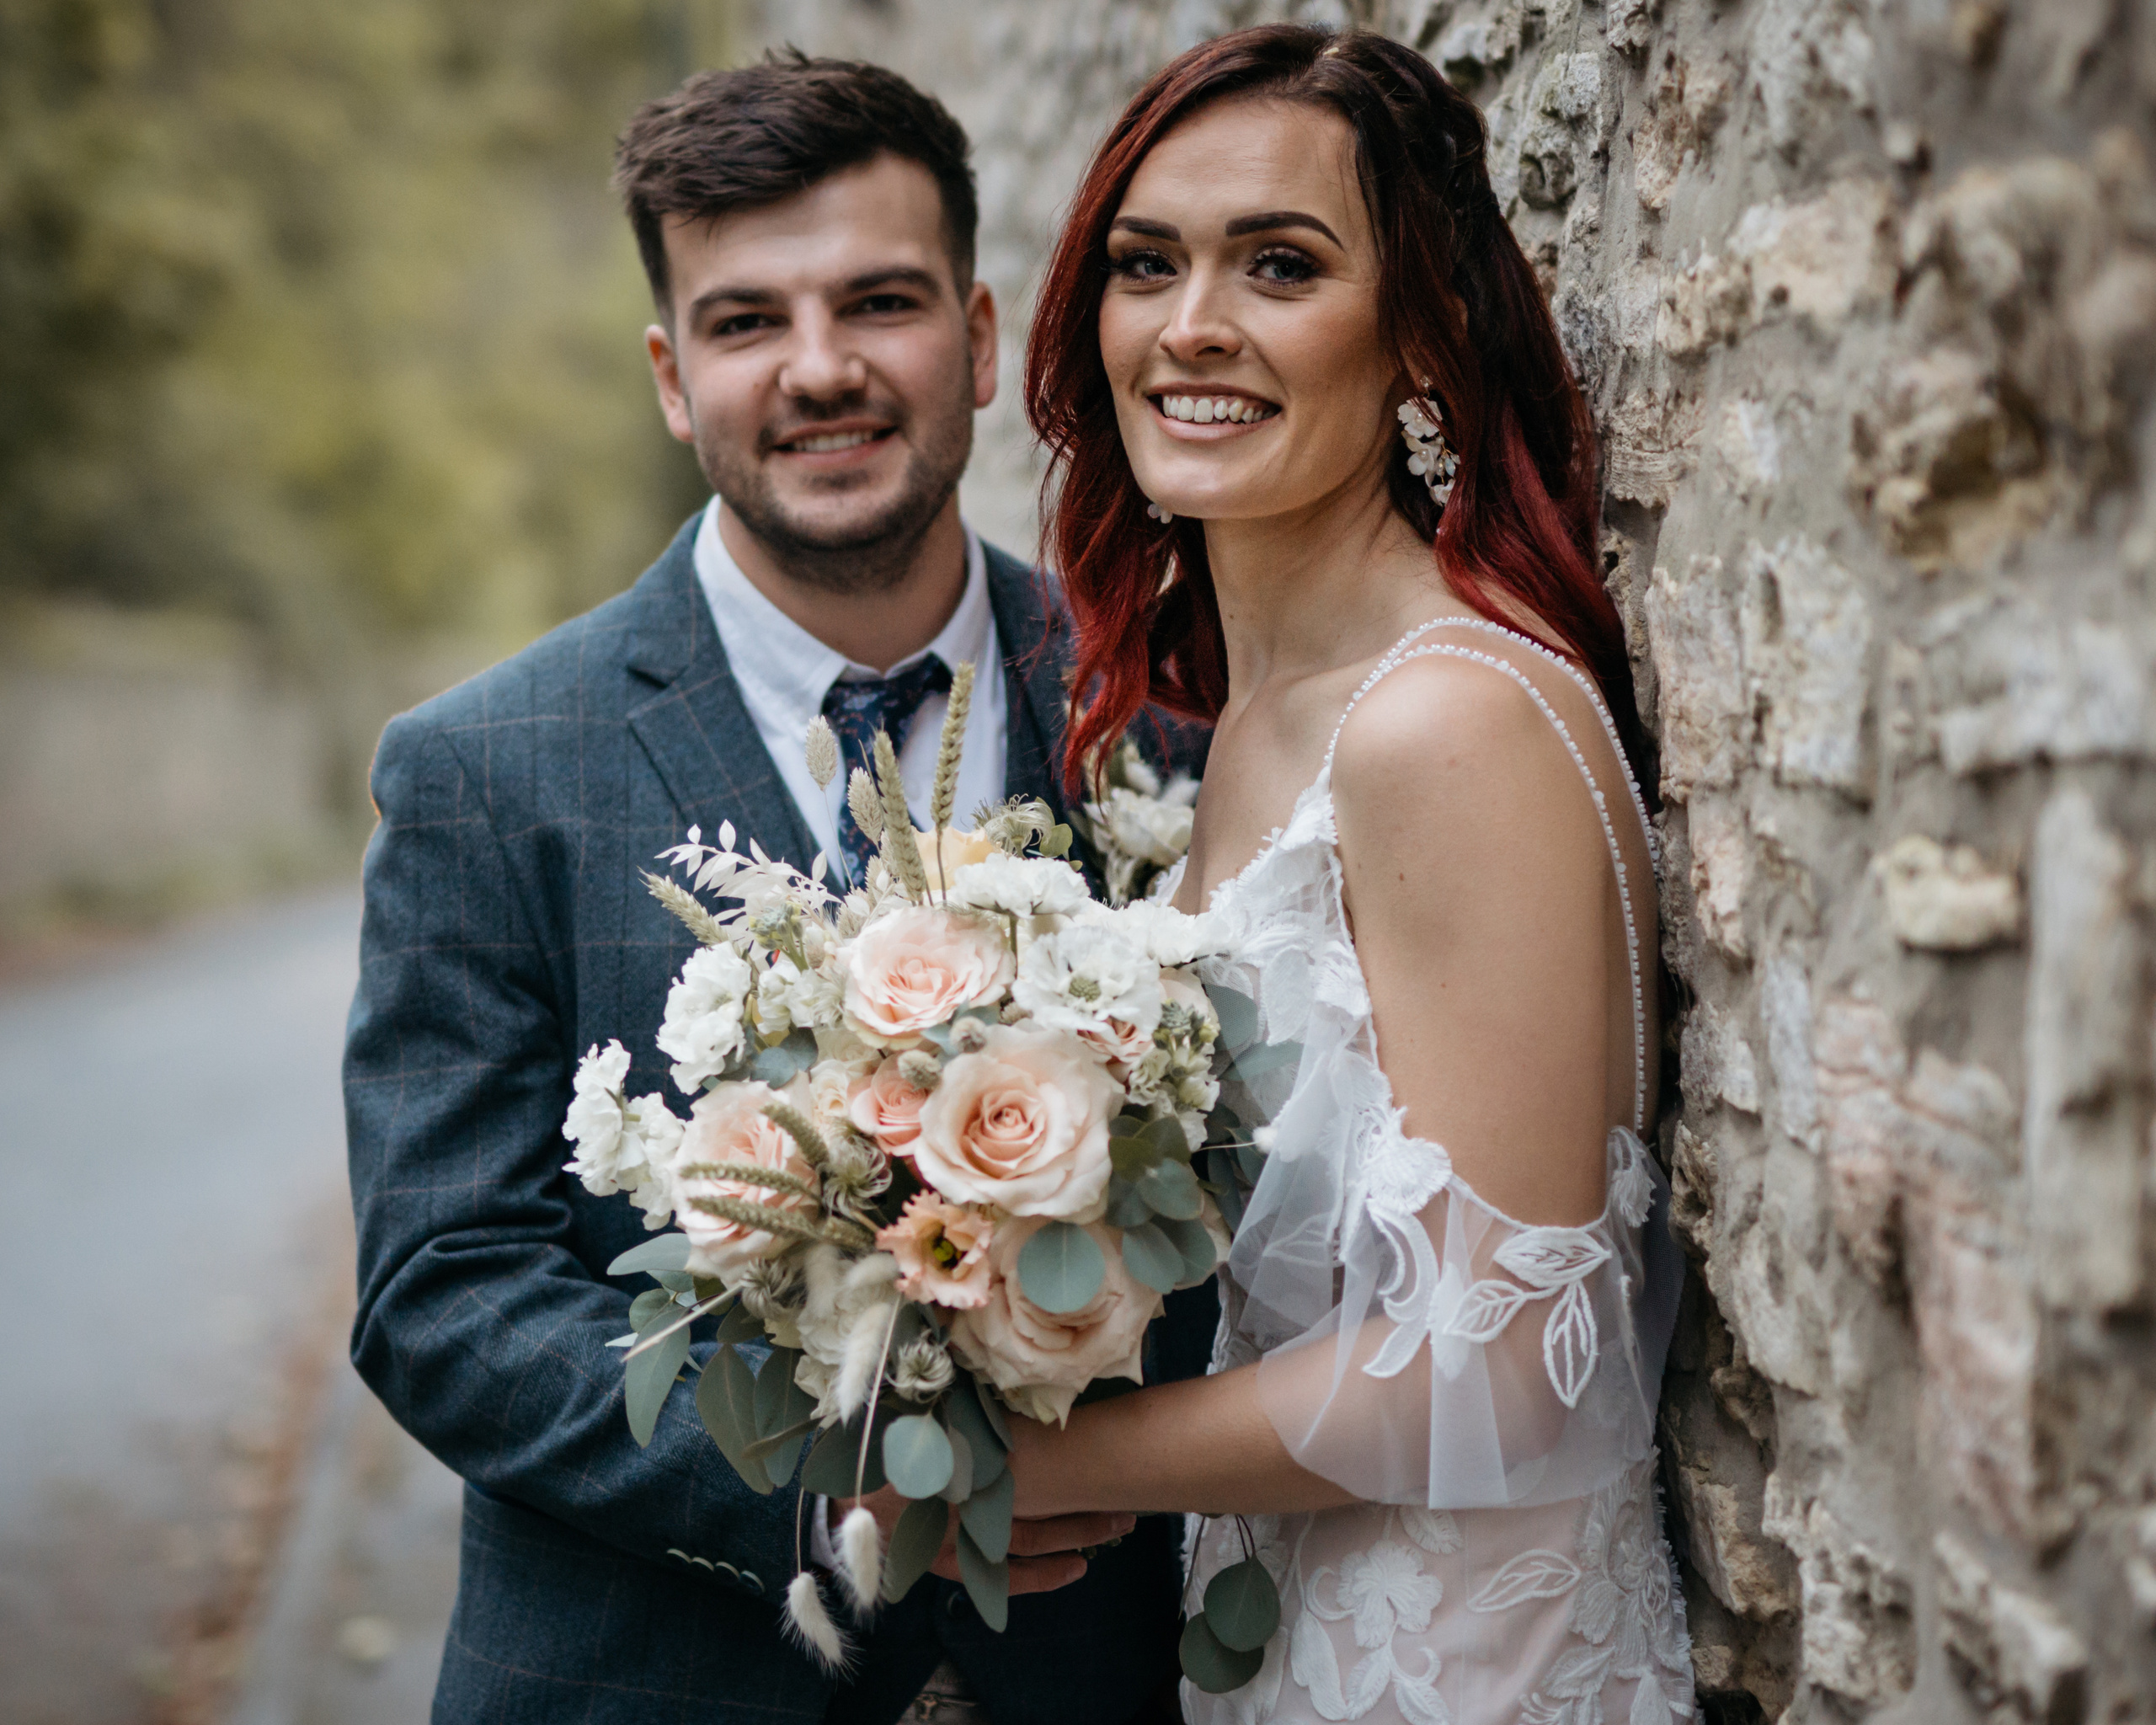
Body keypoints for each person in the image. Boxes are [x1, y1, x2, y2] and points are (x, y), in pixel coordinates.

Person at [344, 53, 1203, 1725]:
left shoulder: (1167, 714)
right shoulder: (482, 768)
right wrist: (822, 1489)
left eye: (875, 303)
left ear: (972, 330)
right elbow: (440, 1291)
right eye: (745, 323)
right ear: (672, 377)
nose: (817, 371)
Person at [1009, 25, 1693, 1725]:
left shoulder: (1441, 722)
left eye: (1279, 265)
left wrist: (1032, 1462)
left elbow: (1514, 1361)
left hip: (1470, 1664)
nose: (1188, 326)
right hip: (1291, 1643)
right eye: (1143, 264)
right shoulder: (1251, 731)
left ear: (1416, 337)